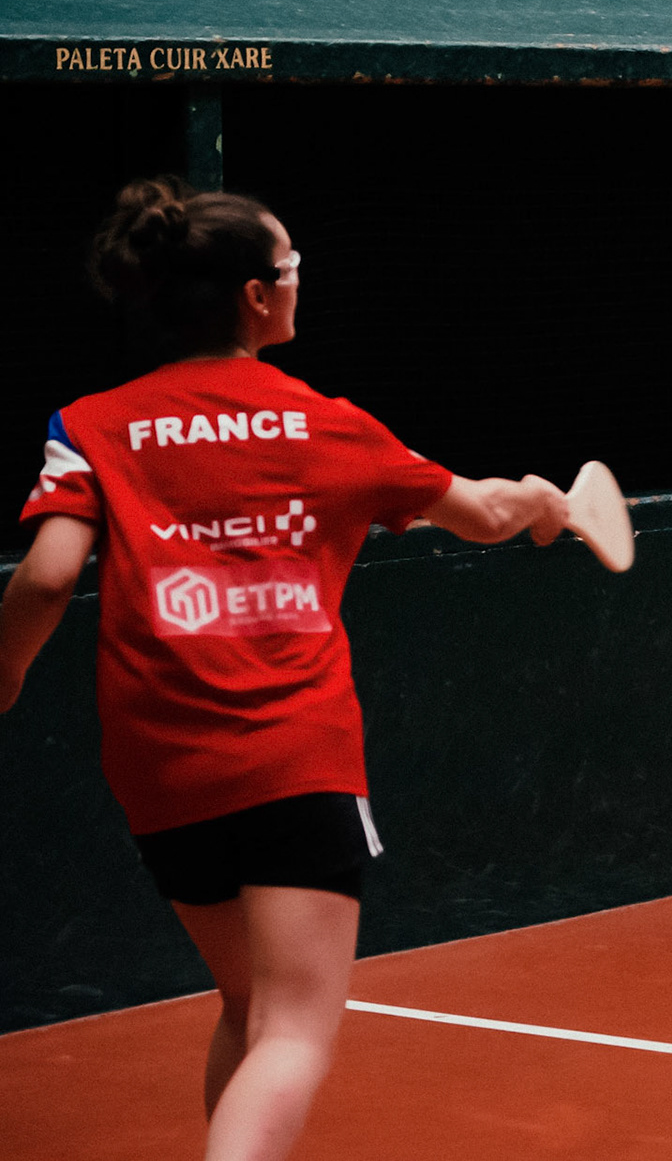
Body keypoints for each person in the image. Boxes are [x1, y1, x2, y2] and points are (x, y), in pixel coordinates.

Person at [0, 177, 573, 1161]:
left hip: (160, 765)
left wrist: (2, 678)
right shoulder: (329, 423)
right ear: (258, 298)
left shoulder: (92, 423)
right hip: (293, 757)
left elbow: (49, 575)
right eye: (292, 267)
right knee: (297, 1030)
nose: (300, 282)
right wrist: (537, 500)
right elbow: (481, 514)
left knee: (249, 1002)